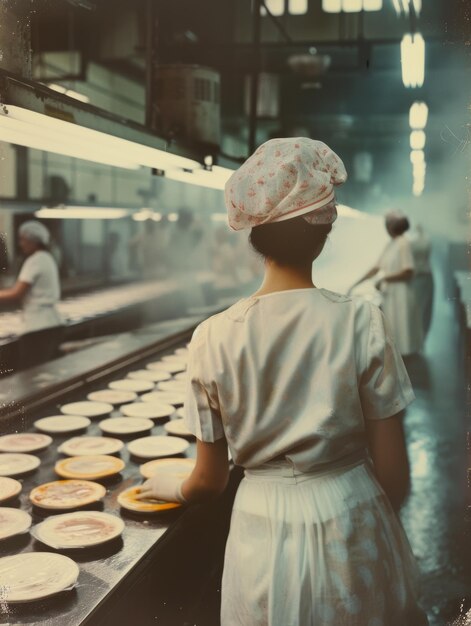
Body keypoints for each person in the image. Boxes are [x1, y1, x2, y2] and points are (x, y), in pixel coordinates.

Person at [136, 138, 428, 626]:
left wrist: (168, 485)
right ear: (324, 231)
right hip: (353, 516)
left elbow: (209, 480)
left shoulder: (213, 336)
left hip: (260, 528)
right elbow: (395, 472)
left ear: (254, 237)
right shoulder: (362, 321)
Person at [351, 211, 423, 356]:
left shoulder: (403, 243)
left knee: (401, 329)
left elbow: (408, 271)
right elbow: (376, 267)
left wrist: (384, 279)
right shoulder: (391, 244)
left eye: (387, 224)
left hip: (401, 293)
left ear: (392, 226)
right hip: (391, 294)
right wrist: (356, 283)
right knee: (394, 328)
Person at [0, 221, 63, 369]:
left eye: (23, 240)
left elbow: (17, 293)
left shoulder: (35, 260)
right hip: (52, 322)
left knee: (32, 374)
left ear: (33, 240)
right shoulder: (47, 257)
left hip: (38, 327)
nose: (21, 244)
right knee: (44, 372)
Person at [408, 224, 434, 340]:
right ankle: (421, 336)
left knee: (417, 309)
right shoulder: (427, 239)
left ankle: (418, 337)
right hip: (425, 276)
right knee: (424, 309)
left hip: (417, 277)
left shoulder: (411, 241)